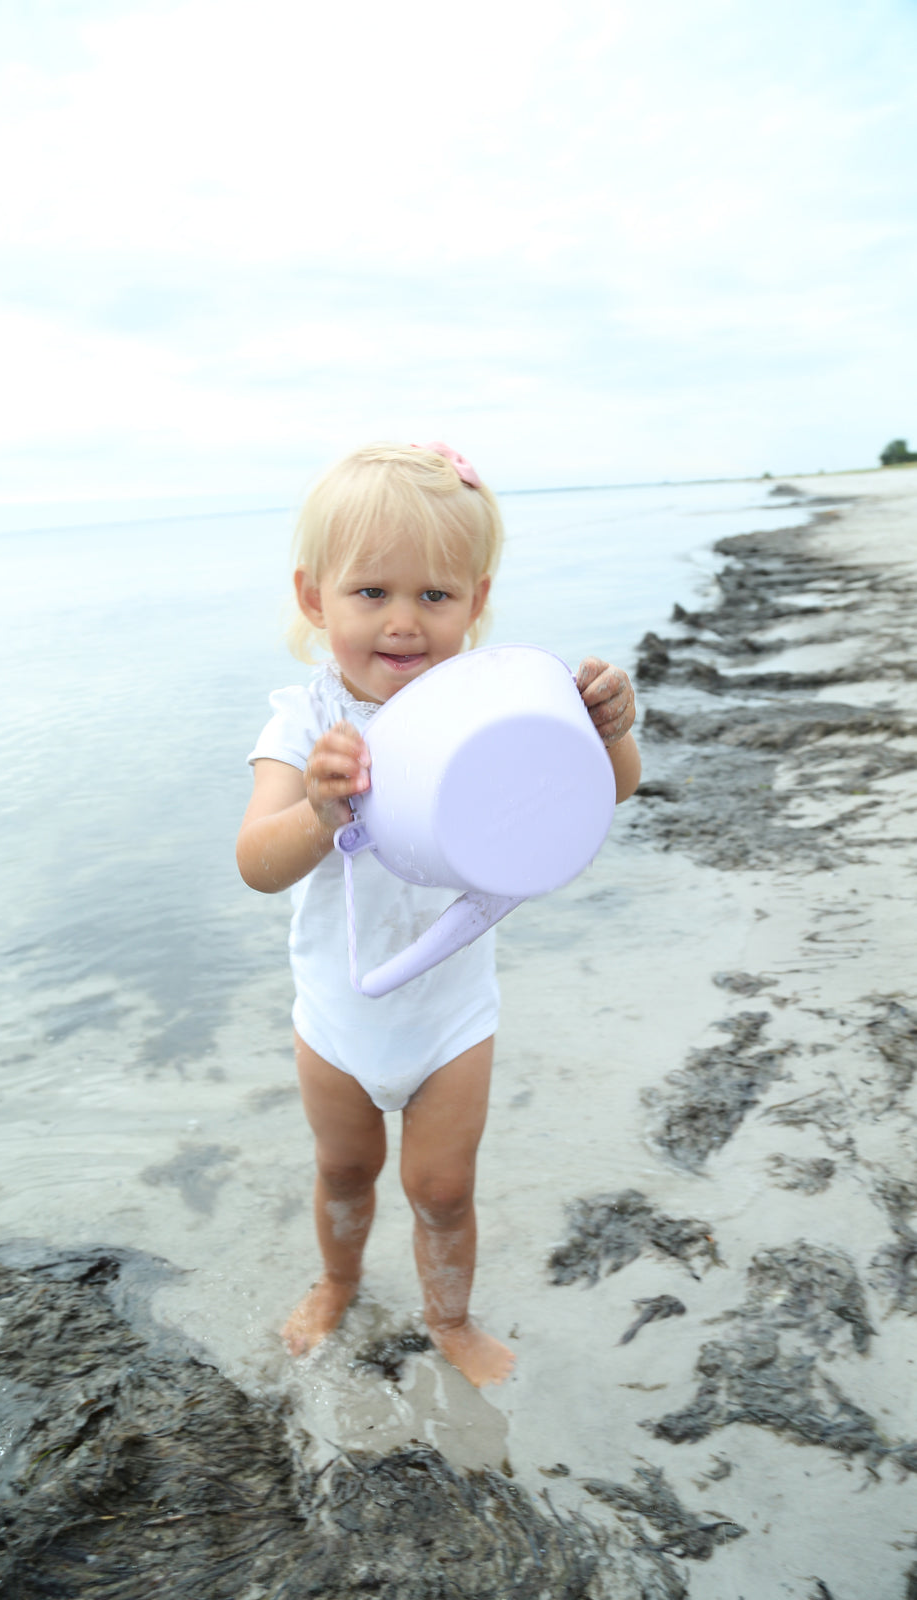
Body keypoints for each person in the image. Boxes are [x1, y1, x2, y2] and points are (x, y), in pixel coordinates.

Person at [236, 442, 640, 1387]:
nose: (403, 623)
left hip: (451, 1012)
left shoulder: (492, 709)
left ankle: (450, 1320)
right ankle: (336, 1281)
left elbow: (605, 794)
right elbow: (257, 862)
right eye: (370, 593)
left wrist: (610, 734)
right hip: (336, 1012)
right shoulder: (303, 726)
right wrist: (320, 808)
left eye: (434, 596)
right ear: (313, 598)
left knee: (442, 1189)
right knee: (343, 1172)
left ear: (475, 599)